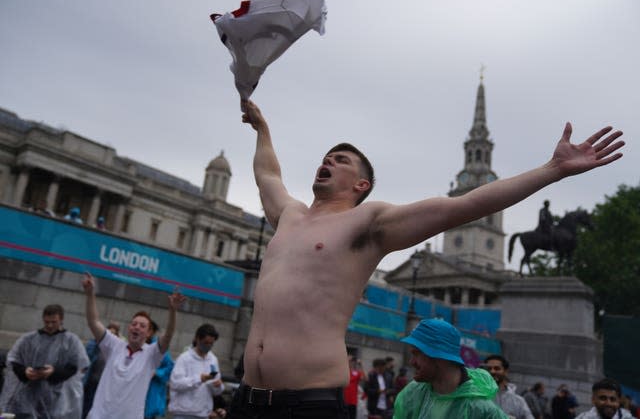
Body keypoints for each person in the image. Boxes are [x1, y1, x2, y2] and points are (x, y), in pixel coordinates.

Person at [233, 100, 624, 419]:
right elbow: (267, 173)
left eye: (341, 160)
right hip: (248, 398)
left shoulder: (369, 222)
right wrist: (263, 130)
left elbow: (465, 204)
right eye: (327, 156)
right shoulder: (290, 216)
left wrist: (552, 170)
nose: (330, 160)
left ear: (361, 185)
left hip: (309, 401)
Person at [82, 272, 185, 419]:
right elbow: (93, 322)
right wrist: (90, 294)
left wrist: (173, 311)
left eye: (142, 326)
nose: (136, 327)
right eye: (134, 324)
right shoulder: (114, 345)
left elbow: (168, 336)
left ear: (149, 333)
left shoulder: (152, 354)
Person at [393, 318, 507, 418]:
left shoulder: (482, 411)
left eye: (416, 353)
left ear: (440, 356)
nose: (411, 362)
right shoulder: (412, 395)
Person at [0, 304, 89, 419]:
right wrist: (24, 372)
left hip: (57, 400)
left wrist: (54, 372)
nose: (50, 325)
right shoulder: (29, 339)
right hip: (27, 396)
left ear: (61, 320)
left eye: (54, 322)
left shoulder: (71, 342)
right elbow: (14, 360)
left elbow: (76, 367)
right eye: (47, 322)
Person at [168, 323, 225, 419]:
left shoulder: (213, 359)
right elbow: (175, 384)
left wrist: (218, 386)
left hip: (203, 415)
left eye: (211, 343)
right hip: (183, 414)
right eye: (206, 343)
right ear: (197, 339)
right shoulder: (184, 358)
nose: (208, 346)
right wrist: (199, 379)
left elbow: (216, 391)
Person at [82, 322, 121, 418]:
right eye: (109, 333)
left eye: (113, 334)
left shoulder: (117, 349)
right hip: (90, 382)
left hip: (103, 387)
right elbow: (86, 359)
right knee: (85, 408)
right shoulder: (94, 344)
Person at [484, 354, 534, 419]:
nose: (492, 371)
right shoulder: (478, 397)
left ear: (506, 371)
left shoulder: (518, 401)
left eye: (497, 368)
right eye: (489, 369)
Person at [144, 321, 174, 419]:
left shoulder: (159, 347)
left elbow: (170, 366)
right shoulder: (135, 344)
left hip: (153, 392)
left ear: (152, 331)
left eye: (146, 328)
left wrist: (157, 372)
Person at [343, 354, 365, 419]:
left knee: (352, 416)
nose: (351, 362)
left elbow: (364, 378)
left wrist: (360, 365)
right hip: (344, 399)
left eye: (352, 360)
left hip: (353, 400)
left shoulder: (356, 372)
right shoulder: (344, 370)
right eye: (350, 360)